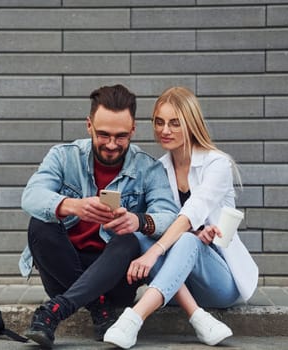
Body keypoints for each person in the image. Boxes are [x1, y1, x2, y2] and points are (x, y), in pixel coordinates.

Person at [18, 84, 179, 348]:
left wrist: (139, 221)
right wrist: (71, 205)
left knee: (130, 239)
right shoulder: (64, 156)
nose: (112, 144)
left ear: (133, 130)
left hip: (115, 276)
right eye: (103, 134)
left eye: (121, 136)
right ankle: (97, 306)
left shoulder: (148, 168)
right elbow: (31, 196)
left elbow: (171, 217)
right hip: (63, 273)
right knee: (41, 224)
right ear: (89, 125)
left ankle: (56, 310)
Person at [104, 86, 259, 348]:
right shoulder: (159, 169)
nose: (165, 130)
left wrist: (158, 252)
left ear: (191, 123)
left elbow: (193, 211)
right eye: (160, 122)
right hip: (179, 283)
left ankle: (133, 319)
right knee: (141, 232)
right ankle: (199, 318)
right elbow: (157, 222)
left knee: (187, 241)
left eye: (175, 123)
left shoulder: (216, 164)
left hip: (220, 279)